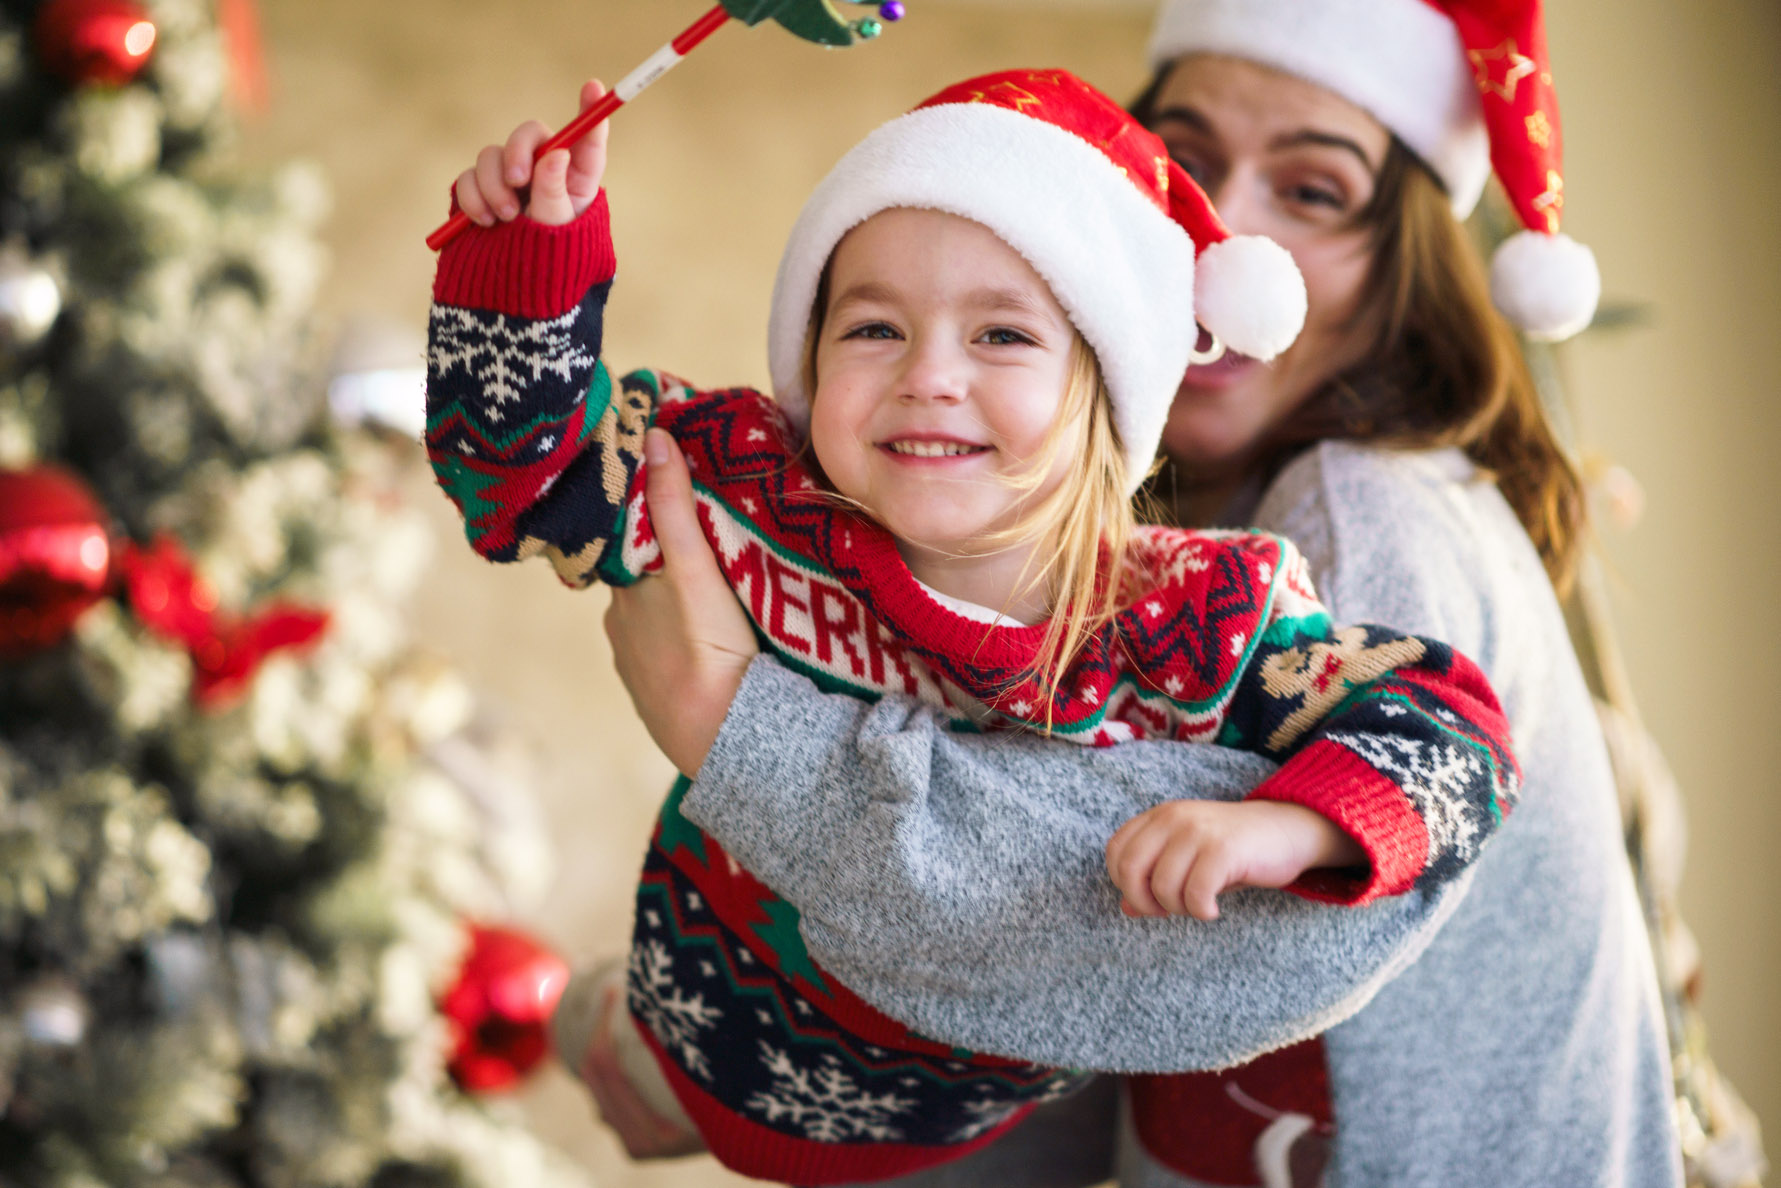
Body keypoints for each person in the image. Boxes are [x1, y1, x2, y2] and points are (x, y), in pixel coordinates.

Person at [587, 1, 1686, 1186]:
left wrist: (734, 730)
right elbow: (1054, 1020)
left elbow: (1150, 944)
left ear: (1400, 277)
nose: (1222, 247)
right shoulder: (1128, 547)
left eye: (1311, 193)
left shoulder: (1355, 516)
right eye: (1188, 171)